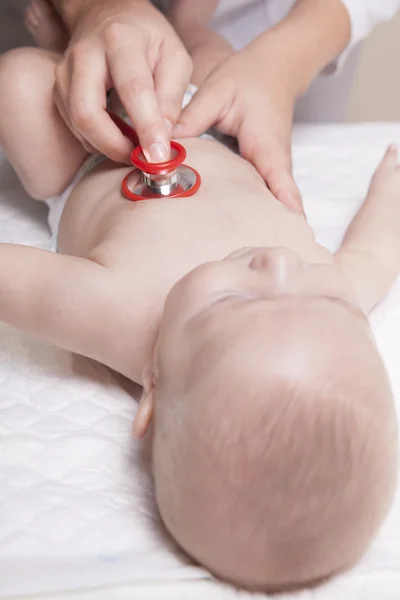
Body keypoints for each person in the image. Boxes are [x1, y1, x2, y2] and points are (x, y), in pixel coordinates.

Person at [0, 10, 398, 592]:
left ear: (156, 388)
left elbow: (16, 280)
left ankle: (70, 43)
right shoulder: (333, 303)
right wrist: (391, 189)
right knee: (203, 44)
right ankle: (145, 28)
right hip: (217, 118)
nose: (282, 265)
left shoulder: (123, 315)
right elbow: (376, 253)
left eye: (235, 300)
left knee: (20, 86)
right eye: (327, 300)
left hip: (88, 155)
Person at [25, 0, 400, 213]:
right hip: (217, 125)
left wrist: (89, 10)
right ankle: (188, 22)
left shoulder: (134, 317)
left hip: (87, 164)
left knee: (29, 89)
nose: (277, 267)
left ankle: (62, 47)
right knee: (210, 59)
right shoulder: (297, 290)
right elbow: (363, 264)